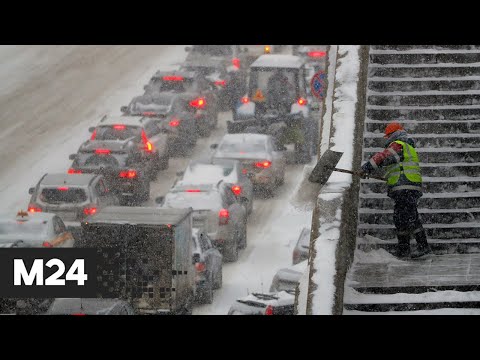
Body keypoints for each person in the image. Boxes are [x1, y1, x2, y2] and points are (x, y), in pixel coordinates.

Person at [360, 122, 432, 259]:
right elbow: (390, 163)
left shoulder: (399, 143)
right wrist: (374, 170)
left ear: (391, 134)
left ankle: (423, 247)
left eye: (387, 136)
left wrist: (366, 167)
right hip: (406, 186)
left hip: (405, 186)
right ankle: (404, 249)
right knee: (401, 218)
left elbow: (382, 157)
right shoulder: (405, 146)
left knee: (410, 217)